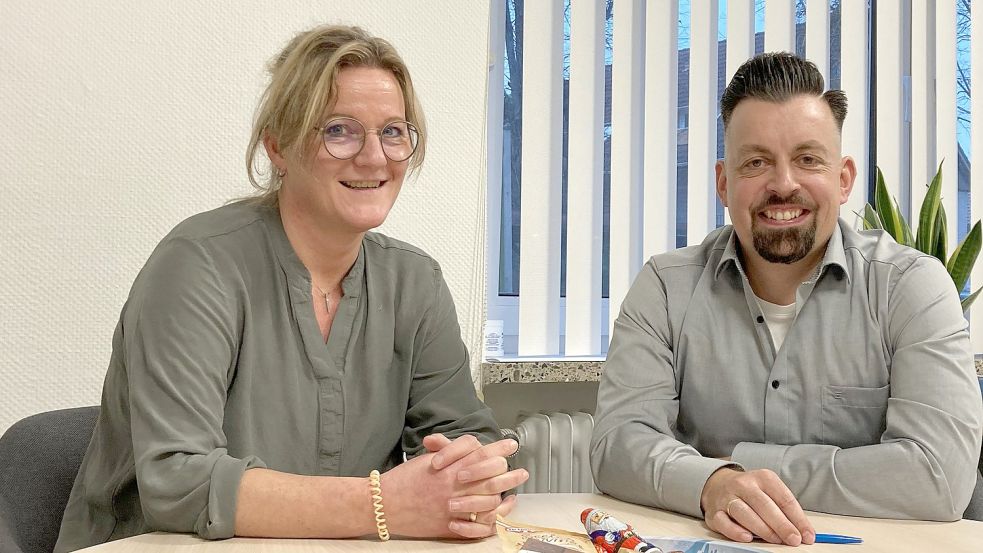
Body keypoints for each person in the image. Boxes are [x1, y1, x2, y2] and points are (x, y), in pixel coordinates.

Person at [55, 24, 527, 552]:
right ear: (278, 145)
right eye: (339, 130)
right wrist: (386, 505)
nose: (374, 157)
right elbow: (179, 483)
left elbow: (469, 435)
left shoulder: (415, 282)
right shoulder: (198, 266)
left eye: (394, 132)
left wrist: (475, 476)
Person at [590, 52, 983, 547]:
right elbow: (616, 448)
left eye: (807, 159)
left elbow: (938, 478)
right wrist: (711, 484)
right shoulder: (665, 288)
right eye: (756, 162)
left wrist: (736, 473)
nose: (783, 184)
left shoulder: (912, 287)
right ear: (723, 183)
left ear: (843, 180)